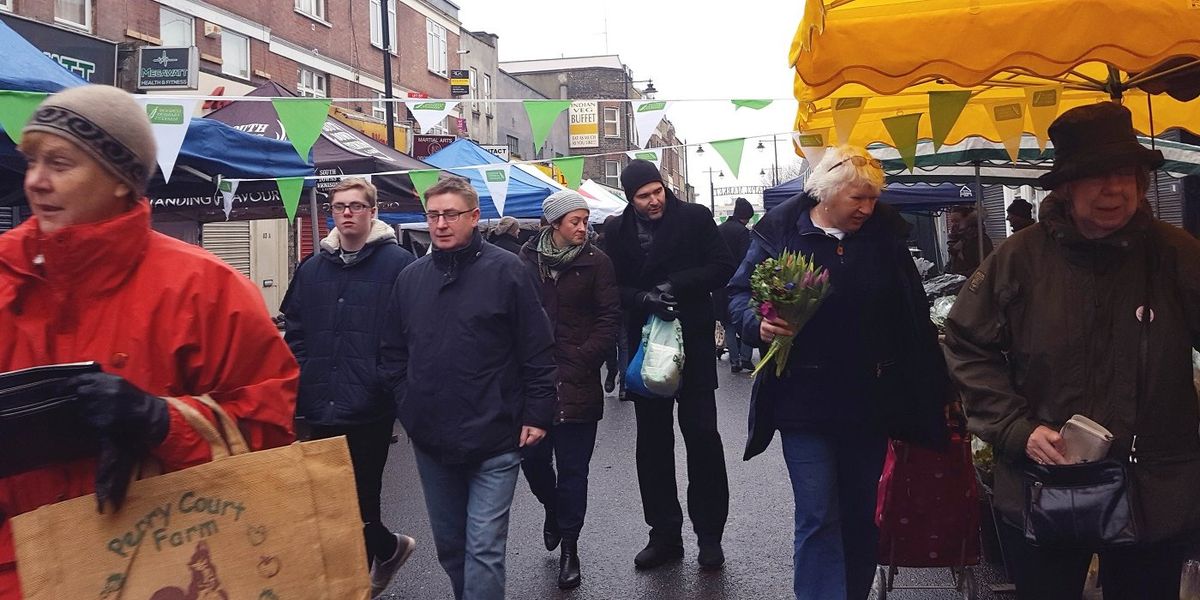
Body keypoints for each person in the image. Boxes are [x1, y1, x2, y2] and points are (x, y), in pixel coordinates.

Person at [0, 85, 298, 600]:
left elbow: (270, 428)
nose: (35, 182)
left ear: (121, 179)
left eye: (60, 163)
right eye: (31, 161)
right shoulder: (6, 273)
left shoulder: (206, 289)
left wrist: (160, 422)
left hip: (155, 566)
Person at [943, 102, 1200, 600]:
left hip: (1156, 492)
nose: (1115, 189)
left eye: (1127, 174)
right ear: (1065, 186)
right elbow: (966, 343)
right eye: (1096, 176)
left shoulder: (1177, 254)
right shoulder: (1019, 258)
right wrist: (1016, 428)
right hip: (1046, 486)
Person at [729, 146, 949, 600]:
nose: (868, 209)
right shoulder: (779, 234)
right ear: (827, 193)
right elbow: (736, 297)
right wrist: (760, 324)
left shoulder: (883, 237)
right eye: (858, 199)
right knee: (817, 513)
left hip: (869, 402)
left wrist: (932, 384)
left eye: (873, 198)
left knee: (859, 513)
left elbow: (911, 312)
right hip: (803, 402)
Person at [379, 176, 557, 600]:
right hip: (433, 438)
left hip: (496, 435)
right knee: (452, 548)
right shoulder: (410, 279)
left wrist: (536, 411)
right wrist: (410, 405)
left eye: (451, 215)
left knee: (484, 549)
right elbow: (391, 352)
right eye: (434, 215)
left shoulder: (508, 271)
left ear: (474, 217)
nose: (441, 224)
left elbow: (537, 346)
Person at [282, 177, 416, 598]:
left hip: (370, 405)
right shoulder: (312, 267)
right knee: (327, 501)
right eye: (339, 206)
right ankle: (388, 547)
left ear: (372, 211)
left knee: (361, 499)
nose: (347, 213)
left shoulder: (398, 264)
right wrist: (303, 371)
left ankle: (352, 585)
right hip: (320, 400)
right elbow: (295, 328)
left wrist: (386, 380)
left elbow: (410, 332)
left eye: (356, 206)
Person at [603, 159, 735, 571]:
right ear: (631, 198)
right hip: (647, 349)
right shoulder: (616, 229)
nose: (654, 200)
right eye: (644, 196)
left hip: (692, 344)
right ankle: (663, 534)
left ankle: (709, 535)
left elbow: (721, 267)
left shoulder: (694, 217)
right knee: (653, 446)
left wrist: (674, 285)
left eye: (657, 191)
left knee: (703, 439)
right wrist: (644, 299)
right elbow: (614, 287)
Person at [516, 190, 620, 589]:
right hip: (535, 382)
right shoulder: (525, 262)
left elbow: (610, 318)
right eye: (575, 221)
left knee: (574, 470)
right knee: (533, 461)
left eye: (586, 219)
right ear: (554, 224)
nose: (583, 227)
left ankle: (570, 549)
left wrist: (583, 358)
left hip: (578, 381)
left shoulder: (598, 262)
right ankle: (551, 508)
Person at [715, 197, 755, 373]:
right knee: (745, 320)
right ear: (745, 216)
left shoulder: (719, 230)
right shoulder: (743, 233)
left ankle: (734, 361)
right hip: (739, 284)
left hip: (719, 284)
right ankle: (745, 357)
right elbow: (747, 260)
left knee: (728, 323)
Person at [600, 214, 628, 398]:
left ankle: (611, 372)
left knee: (609, 342)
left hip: (605, 304)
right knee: (624, 344)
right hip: (624, 303)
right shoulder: (626, 249)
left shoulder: (597, 252)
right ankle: (624, 385)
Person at [945, 206, 993, 275]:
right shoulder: (957, 239)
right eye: (952, 221)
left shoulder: (980, 240)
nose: (953, 225)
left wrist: (960, 276)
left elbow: (986, 266)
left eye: (957, 221)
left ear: (968, 221)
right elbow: (953, 262)